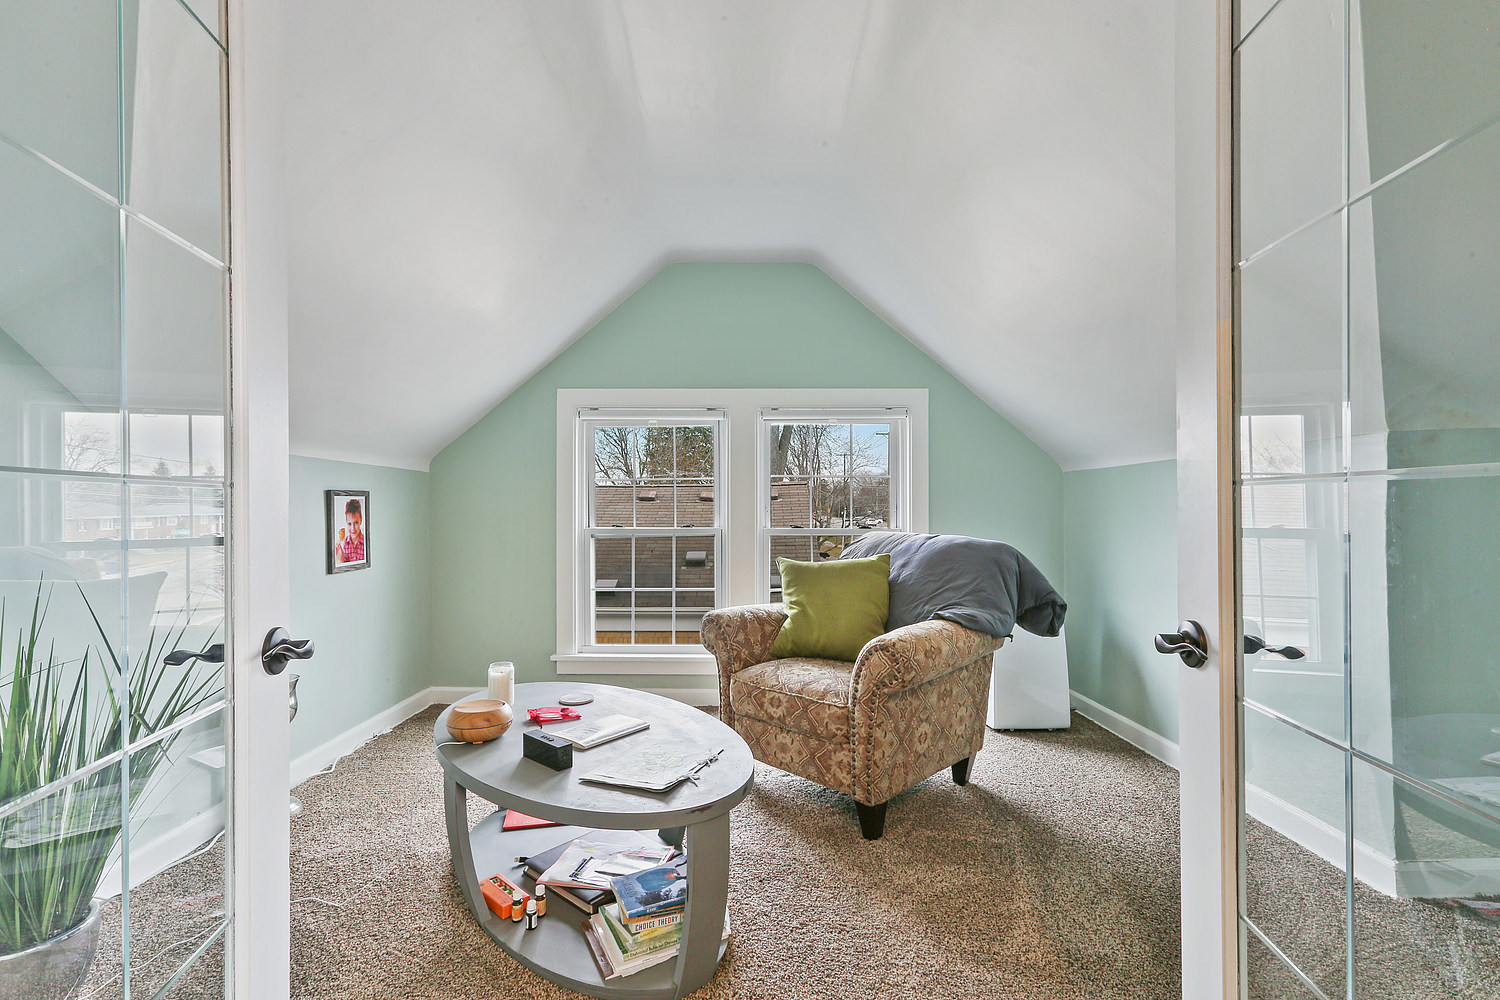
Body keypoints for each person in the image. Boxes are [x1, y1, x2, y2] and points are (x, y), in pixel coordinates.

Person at [336, 499, 365, 564]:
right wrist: (341, 558)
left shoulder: (364, 542)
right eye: (349, 524)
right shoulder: (346, 542)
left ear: (361, 520)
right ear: (346, 522)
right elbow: (346, 565)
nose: (353, 528)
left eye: (356, 522)